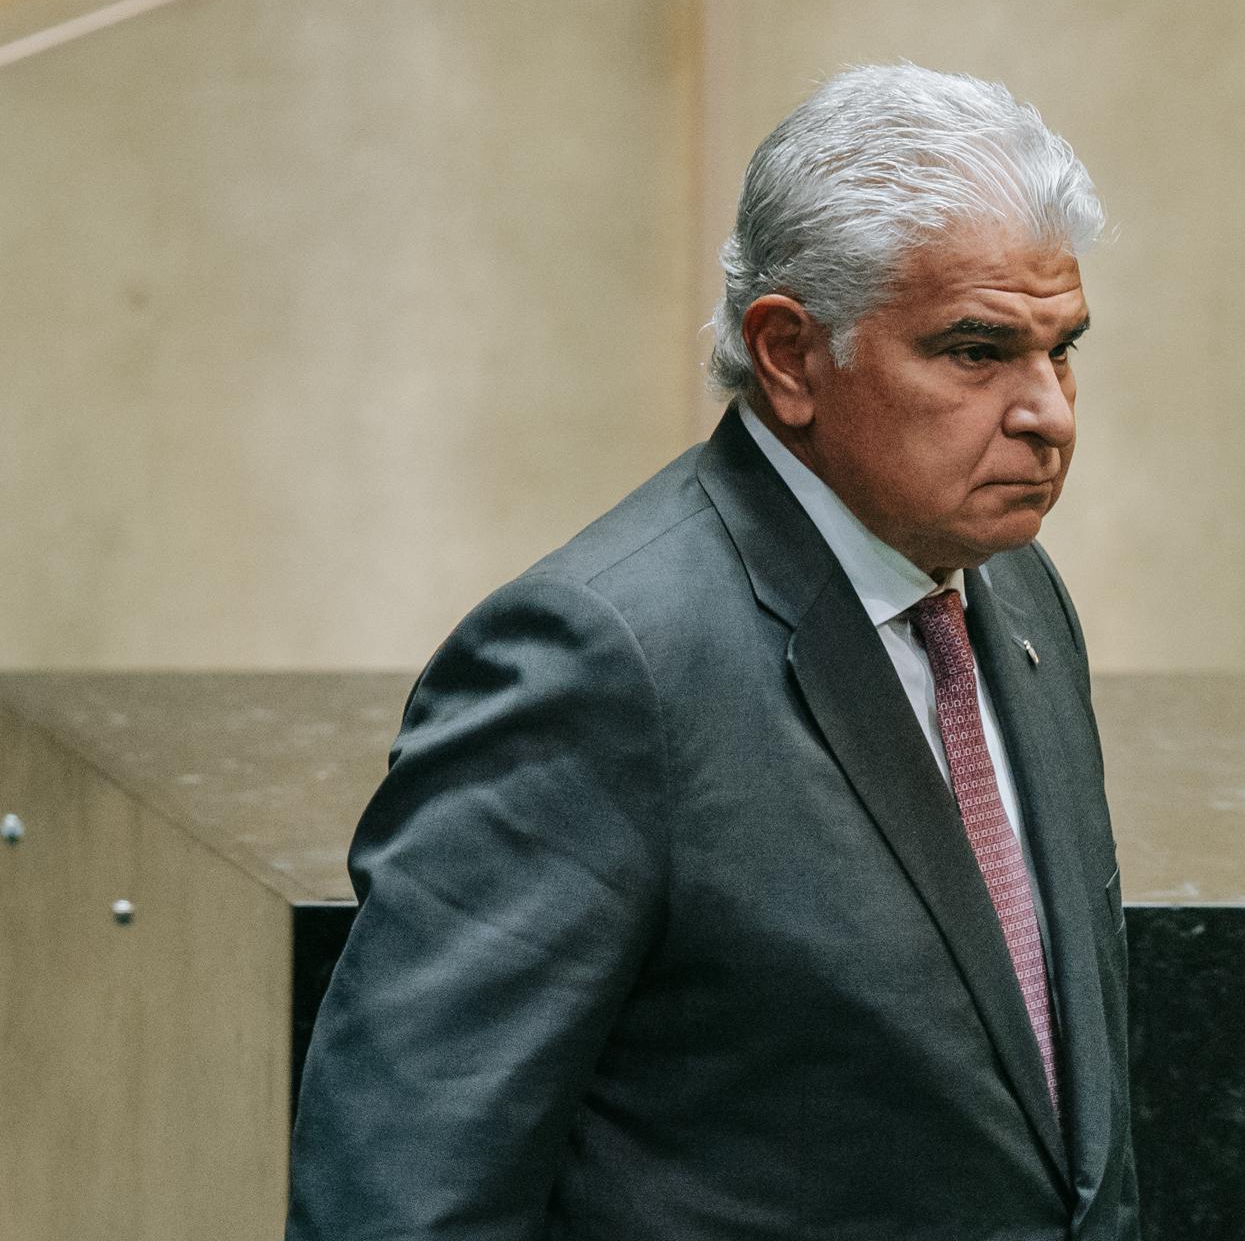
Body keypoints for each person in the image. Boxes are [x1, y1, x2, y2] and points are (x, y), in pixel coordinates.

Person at [288, 63, 1138, 1240]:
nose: (1049, 410)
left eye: (1065, 348)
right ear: (789, 355)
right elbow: (404, 1197)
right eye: (978, 351)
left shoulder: (1014, 590)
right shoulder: (596, 661)